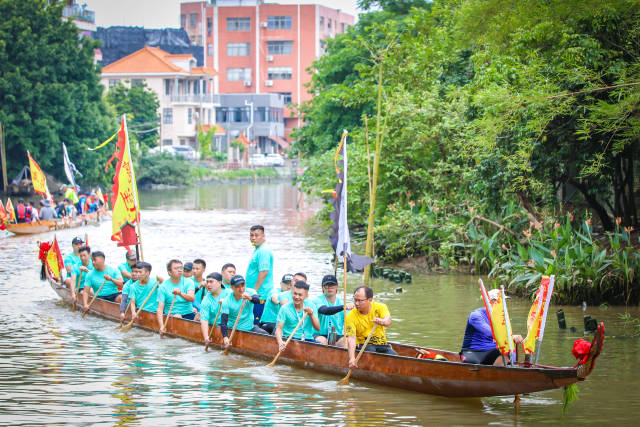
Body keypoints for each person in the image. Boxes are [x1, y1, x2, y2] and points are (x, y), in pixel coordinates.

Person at [460, 289, 524, 365]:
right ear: (493, 302)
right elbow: (491, 333)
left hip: (491, 352)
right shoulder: (476, 315)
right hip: (473, 352)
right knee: (503, 351)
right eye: (502, 302)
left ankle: (510, 368)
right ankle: (501, 372)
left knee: (509, 349)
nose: (505, 305)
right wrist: (512, 337)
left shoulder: (501, 318)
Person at [345, 286, 396, 368]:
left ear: (370, 300)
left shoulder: (380, 307)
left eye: (360, 301)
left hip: (381, 345)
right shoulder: (350, 316)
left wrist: (382, 322)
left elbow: (388, 320)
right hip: (363, 346)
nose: (356, 304)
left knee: (395, 357)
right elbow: (351, 338)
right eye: (355, 300)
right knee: (371, 351)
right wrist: (351, 358)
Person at [220, 275, 268, 350]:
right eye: (237, 286)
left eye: (243, 285)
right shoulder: (227, 301)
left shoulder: (250, 291)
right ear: (232, 288)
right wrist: (225, 337)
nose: (241, 289)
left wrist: (250, 298)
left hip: (250, 327)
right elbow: (223, 322)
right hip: (234, 330)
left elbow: (257, 301)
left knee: (266, 336)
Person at [275, 281, 320, 349]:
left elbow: (317, 328)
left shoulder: (311, 306)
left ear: (306, 295)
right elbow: (279, 329)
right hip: (290, 339)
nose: (296, 297)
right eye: (295, 293)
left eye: (300, 295)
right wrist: (280, 342)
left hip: (307, 339)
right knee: (297, 345)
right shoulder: (285, 308)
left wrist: (311, 315)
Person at [156, 260, 197, 335]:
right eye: (176, 268)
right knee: (178, 316)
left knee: (200, 316)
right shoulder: (163, 287)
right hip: (172, 315)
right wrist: (161, 326)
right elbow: (160, 309)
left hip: (189, 313)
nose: (180, 270)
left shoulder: (189, 282)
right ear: (169, 272)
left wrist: (180, 293)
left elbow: (191, 298)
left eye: (181, 268)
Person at [313, 274, 354, 347]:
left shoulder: (342, 303)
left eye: (332, 285)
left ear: (337, 287)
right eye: (327, 286)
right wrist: (343, 307)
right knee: (322, 341)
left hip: (337, 336)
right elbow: (325, 310)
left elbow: (350, 321)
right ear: (322, 288)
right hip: (319, 335)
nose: (329, 288)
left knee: (347, 342)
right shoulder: (317, 300)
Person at [246, 225, 274, 324]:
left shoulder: (263, 251)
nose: (253, 238)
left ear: (263, 236)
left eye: (256, 235)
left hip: (260, 295)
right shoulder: (257, 249)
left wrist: (254, 291)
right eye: (251, 235)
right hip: (254, 294)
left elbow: (264, 272)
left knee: (256, 323)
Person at [199, 272, 231, 347]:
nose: (208, 284)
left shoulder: (229, 293)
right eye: (207, 282)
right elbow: (204, 320)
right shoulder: (206, 300)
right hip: (216, 326)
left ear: (220, 282)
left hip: (229, 324)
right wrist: (206, 337)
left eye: (211, 282)